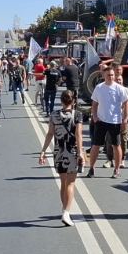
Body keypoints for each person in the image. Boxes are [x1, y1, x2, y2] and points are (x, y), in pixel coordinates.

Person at [39, 89, 85, 226]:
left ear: (61, 101)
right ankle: (66, 212)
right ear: (74, 101)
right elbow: (79, 135)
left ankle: (64, 208)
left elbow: (50, 134)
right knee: (71, 183)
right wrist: (81, 152)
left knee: (63, 182)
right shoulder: (77, 115)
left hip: (58, 151)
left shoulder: (54, 115)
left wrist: (43, 151)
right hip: (72, 151)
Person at [88, 63, 128, 178]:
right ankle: (91, 168)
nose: (111, 77)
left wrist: (125, 117)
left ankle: (116, 169)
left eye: (112, 75)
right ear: (103, 75)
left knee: (116, 145)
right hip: (101, 121)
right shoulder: (99, 88)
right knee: (96, 145)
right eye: (108, 75)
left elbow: (126, 102)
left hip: (115, 121)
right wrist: (95, 116)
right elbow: (94, 103)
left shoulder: (120, 89)